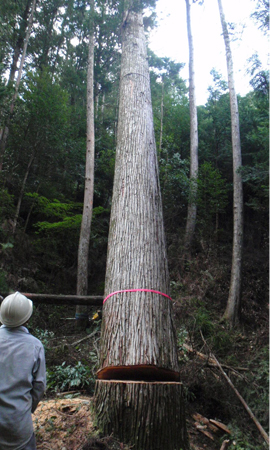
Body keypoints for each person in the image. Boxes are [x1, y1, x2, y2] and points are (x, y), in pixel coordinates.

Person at [0, 292, 46, 450]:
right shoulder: (35, 345)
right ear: (26, 318)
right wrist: (26, 409)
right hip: (18, 427)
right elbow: (39, 386)